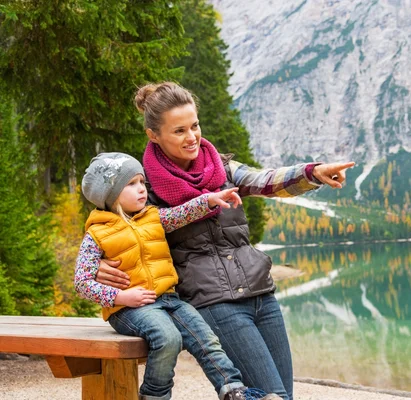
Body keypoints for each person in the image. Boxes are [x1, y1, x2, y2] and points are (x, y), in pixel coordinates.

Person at [95, 82, 355, 400]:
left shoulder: (221, 166)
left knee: (282, 396)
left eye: (195, 126)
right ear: (154, 135)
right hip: (213, 302)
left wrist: (313, 173)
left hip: (261, 293)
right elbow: (112, 234)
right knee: (270, 395)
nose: (192, 137)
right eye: (179, 131)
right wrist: (101, 266)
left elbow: (264, 180)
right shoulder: (143, 189)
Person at [74, 152, 282, 400]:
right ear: (108, 194)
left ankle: (234, 392)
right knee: (168, 338)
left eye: (142, 182)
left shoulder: (153, 216)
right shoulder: (96, 235)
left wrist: (210, 200)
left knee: (207, 340)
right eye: (131, 184)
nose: (142, 189)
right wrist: (121, 296)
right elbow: (82, 282)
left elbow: (182, 213)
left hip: (170, 300)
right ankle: (155, 395)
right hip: (129, 309)